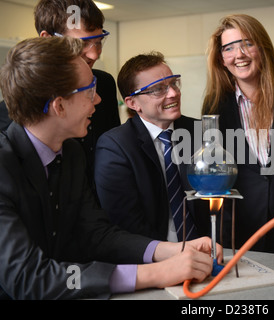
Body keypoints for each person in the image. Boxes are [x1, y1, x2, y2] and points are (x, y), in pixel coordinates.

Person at [0, 36, 221, 300]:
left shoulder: (70, 152)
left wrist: (169, 251)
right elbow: (31, 278)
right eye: (90, 91)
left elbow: (97, 234)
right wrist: (155, 273)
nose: (98, 100)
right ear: (59, 106)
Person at [0, 0, 121, 198]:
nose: (94, 54)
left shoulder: (104, 85)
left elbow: (112, 151)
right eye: (81, 43)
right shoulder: (9, 122)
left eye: (98, 42)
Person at [94, 52, 210, 242]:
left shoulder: (202, 133)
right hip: (151, 258)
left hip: (208, 248)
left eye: (173, 83)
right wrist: (167, 255)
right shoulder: (115, 146)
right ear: (132, 103)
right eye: (158, 89)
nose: (173, 93)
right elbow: (126, 222)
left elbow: (222, 200)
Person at [202, 14, 274, 254]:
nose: (238, 55)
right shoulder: (215, 106)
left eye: (247, 43)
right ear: (221, 59)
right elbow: (216, 170)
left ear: (263, 47)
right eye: (228, 48)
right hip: (242, 230)